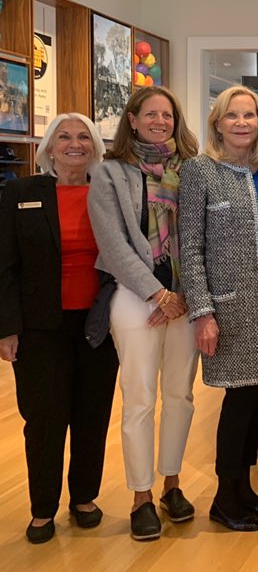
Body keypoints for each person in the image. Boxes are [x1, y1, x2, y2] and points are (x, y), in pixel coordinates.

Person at [0, 113, 119, 544]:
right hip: (39, 327)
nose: (74, 144)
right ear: (49, 147)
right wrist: (6, 328)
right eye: (64, 137)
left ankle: (84, 497)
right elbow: (4, 266)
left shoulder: (107, 192)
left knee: (92, 414)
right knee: (45, 418)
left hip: (97, 323)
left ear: (94, 146)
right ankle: (42, 507)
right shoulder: (20, 192)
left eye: (83, 137)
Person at [88, 86, 200, 541]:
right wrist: (157, 294)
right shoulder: (109, 173)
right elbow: (112, 244)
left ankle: (172, 483)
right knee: (139, 401)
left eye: (167, 115)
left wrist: (183, 294)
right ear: (131, 120)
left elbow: (201, 235)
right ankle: (141, 496)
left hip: (186, 297)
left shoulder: (190, 171)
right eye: (150, 114)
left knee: (180, 396)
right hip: (137, 298)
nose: (160, 121)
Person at [179, 86, 258, 532]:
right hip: (228, 306)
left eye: (250, 115)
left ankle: (244, 488)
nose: (243, 123)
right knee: (238, 398)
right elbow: (190, 248)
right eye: (233, 116)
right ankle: (225, 498)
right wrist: (203, 312)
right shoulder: (199, 172)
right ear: (217, 123)